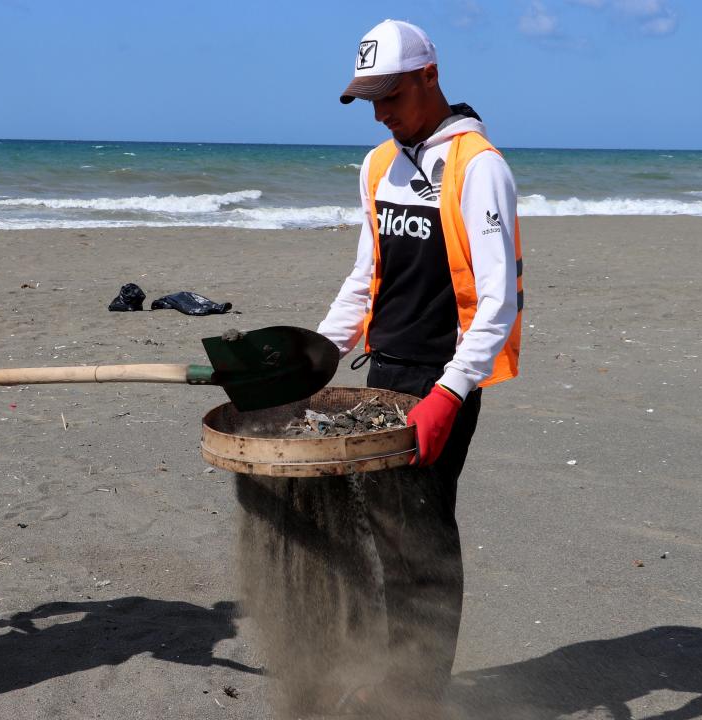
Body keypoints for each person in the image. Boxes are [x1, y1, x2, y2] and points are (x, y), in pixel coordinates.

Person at [316, 18, 523, 717]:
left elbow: (499, 301)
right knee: (383, 530)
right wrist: (316, 355)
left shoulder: (477, 165)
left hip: (442, 382)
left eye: (390, 97)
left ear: (429, 78)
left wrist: (450, 393)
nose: (379, 113)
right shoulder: (380, 166)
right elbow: (366, 276)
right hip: (385, 375)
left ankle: (418, 696)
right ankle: (399, 676)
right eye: (369, 100)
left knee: (423, 541)